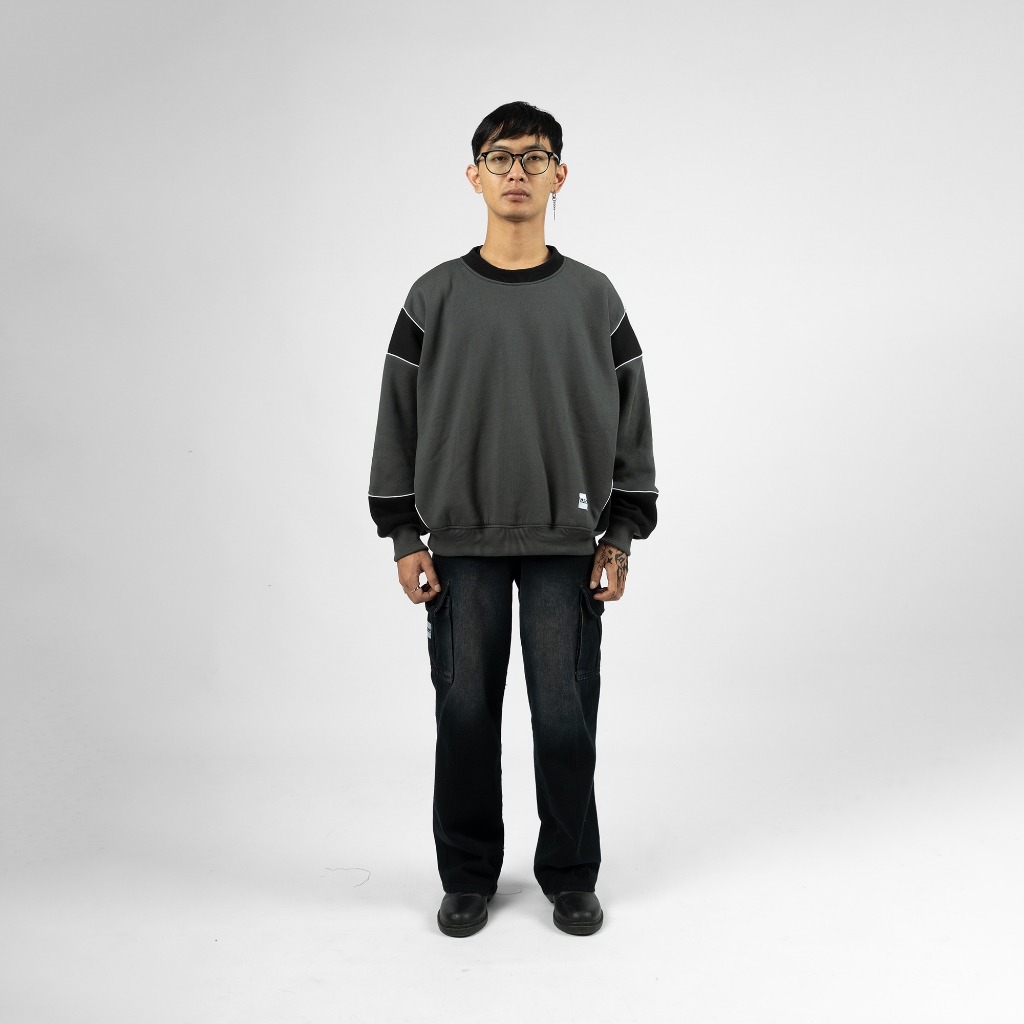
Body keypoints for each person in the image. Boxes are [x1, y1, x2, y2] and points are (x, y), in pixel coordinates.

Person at [367, 101, 657, 938]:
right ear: (474, 176)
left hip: (569, 542)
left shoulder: (594, 297)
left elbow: (633, 418)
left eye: (535, 157)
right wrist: (404, 534)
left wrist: (621, 534)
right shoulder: (435, 296)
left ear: (560, 175)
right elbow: (396, 417)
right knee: (464, 715)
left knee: (565, 714)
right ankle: (467, 876)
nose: (517, 171)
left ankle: (570, 873)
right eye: (500, 157)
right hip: (461, 543)